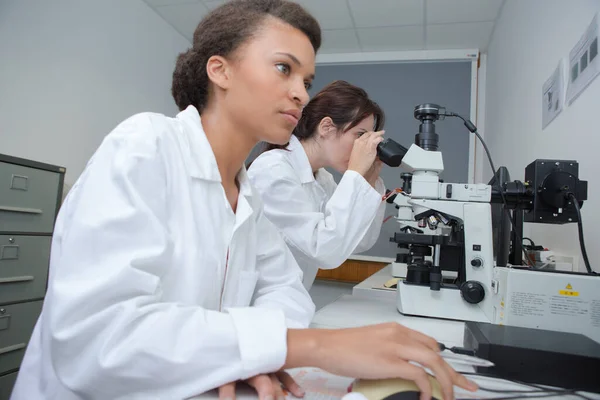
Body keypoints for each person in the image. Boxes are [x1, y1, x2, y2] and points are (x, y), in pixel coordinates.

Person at [10, 1, 477, 400]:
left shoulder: (245, 191)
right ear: (221, 70)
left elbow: (284, 290)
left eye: (307, 79)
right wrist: (301, 347)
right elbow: (94, 338)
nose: (300, 91)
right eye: (283, 68)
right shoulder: (146, 145)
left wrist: (253, 352)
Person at [247, 80, 387, 290]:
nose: (362, 146)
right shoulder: (273, 170)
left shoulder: (322, 179)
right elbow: (324, 250)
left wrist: (369, 181)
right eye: (360, 135)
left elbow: (357, 242)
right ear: (326, 127)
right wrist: (355, 175)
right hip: (254, 306)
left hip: (289, 302)